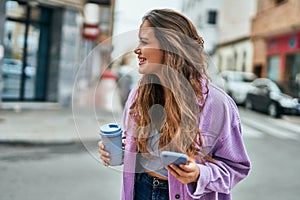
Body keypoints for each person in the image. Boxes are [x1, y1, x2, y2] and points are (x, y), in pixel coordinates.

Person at [98, 9, 251, 200]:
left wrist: (199, 174)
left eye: (144, 42)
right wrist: (121, 150)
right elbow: (132, 143)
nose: (137, 49)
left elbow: (237, 167)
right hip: (141, 190)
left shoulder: (218, 103)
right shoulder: (138, 94)